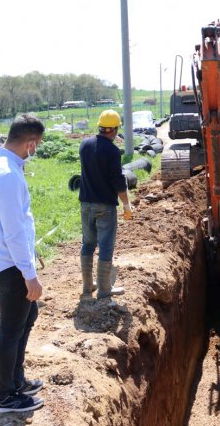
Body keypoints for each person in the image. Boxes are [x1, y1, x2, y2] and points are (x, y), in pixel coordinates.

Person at [0, 114, 45, 413]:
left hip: (0, 258)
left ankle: (16, 380)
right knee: (11, 329)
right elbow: (13, 230)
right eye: (37, 145)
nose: (35, 150)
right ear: (29, 143)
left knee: (28, 317)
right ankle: (5, 398)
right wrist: (30, 274)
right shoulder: (8, 175)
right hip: (10, 264)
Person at [78, 109, 133, 300]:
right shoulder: (112, 150)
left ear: (100, 126)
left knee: (88, 244)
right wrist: (126, 204)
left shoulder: (84, 145)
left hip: (85, 203)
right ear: (115, 129)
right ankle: (103, 290)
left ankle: (87, 289)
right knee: (106, 246)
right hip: (105, 207)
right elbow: (117, 180)